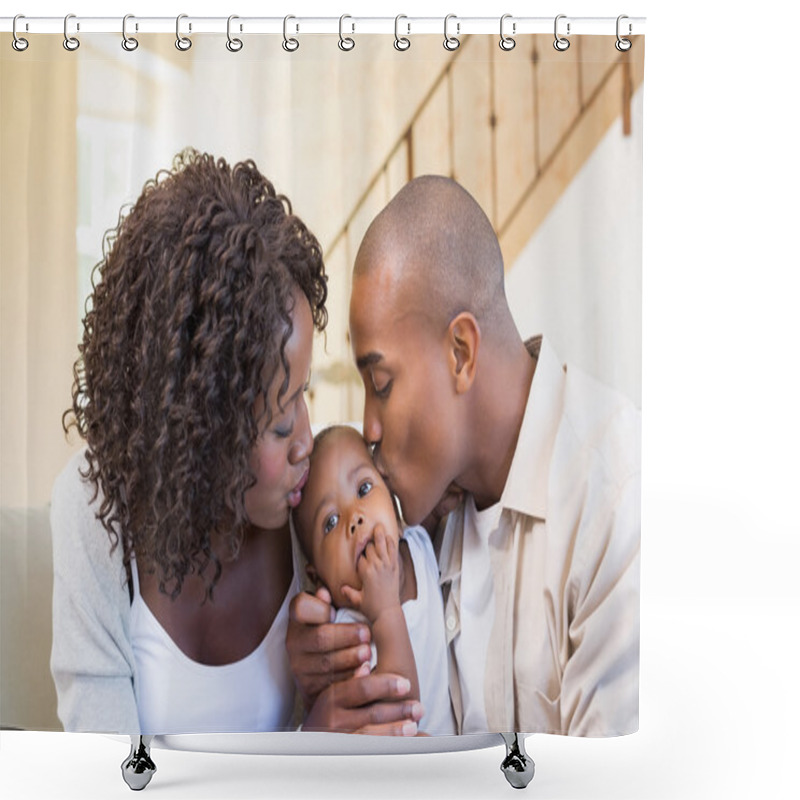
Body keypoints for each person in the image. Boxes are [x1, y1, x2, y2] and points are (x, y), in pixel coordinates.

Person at [50, 149, 418, 736]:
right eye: (278, 425)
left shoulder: (316, 509)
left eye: (305, 395)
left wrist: (323, 720)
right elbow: (105, 779)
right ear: (200, 433)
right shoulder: (95, 515)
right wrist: (305, 757)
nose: (306, 439)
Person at [287, 175, 640, 737]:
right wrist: (324, 666)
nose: (369, 428)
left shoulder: (616, 502)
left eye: (380, 383)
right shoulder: (418, 520)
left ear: (460, 353)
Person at [292, 425, 455, 735]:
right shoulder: (349, 638)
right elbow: (401, 716)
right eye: (330, 522)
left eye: (364, 490)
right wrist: (384, 613)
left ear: (395, 505)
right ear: (319, 577)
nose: (355, 517)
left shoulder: (418, 542)